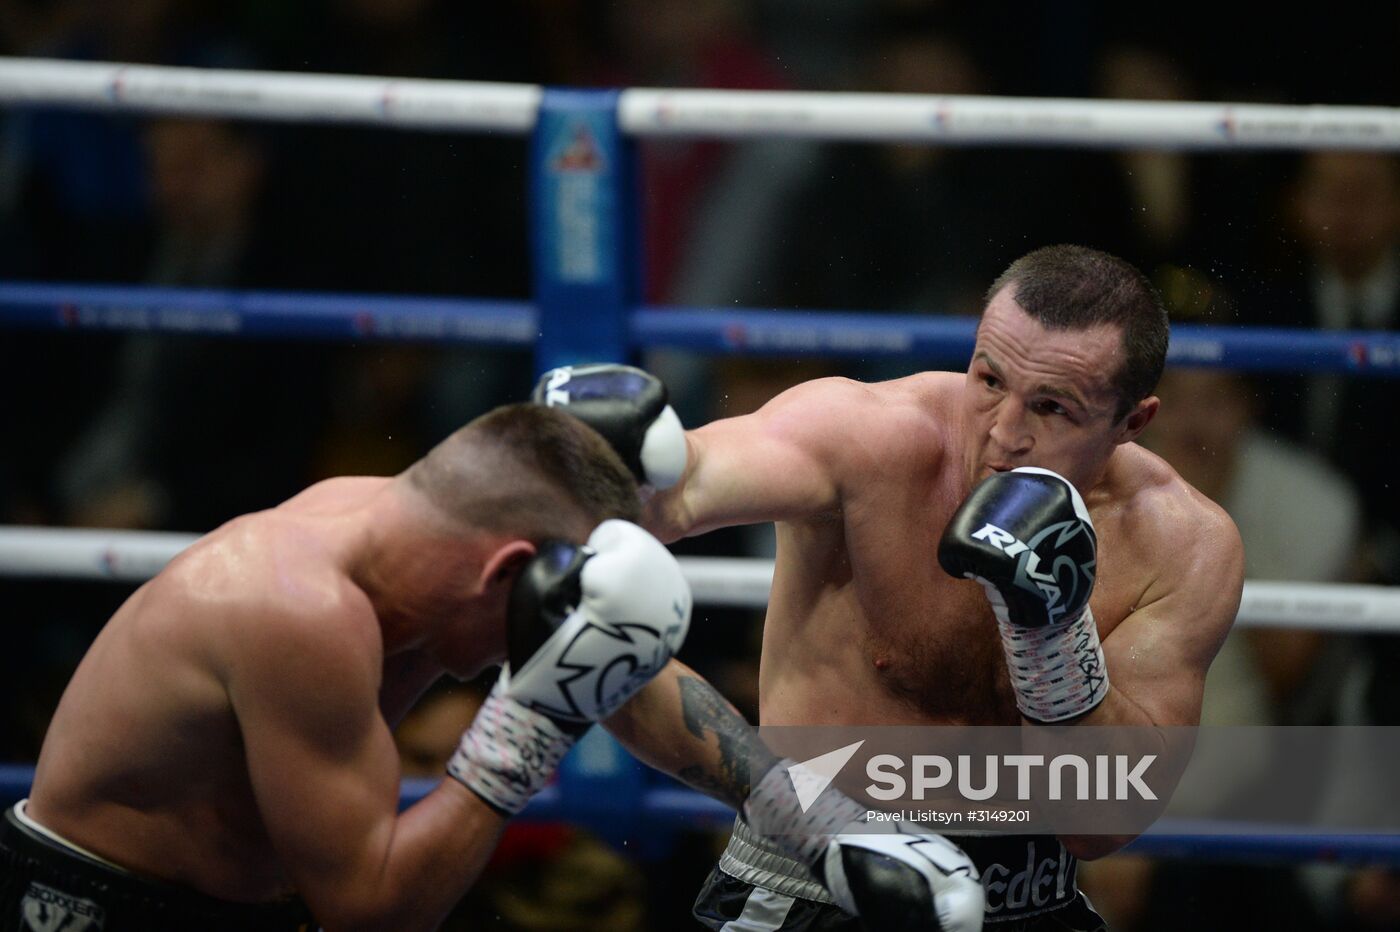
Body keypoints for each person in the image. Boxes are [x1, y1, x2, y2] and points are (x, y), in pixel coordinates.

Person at [538, 244, 1246, 931]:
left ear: (1132, 422)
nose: (1004, 433)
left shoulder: (1183, 544)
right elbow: (691, 484)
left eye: (1053, 407)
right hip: (810, 884)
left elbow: (1100, 824)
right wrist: (633, 465)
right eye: (989, 380)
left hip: (1029, 899)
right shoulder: (872, 436)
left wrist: (1052, 633)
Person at [2, 403, 693, 932]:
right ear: (507, 569)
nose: (519, 650)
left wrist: (756, 788)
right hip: (94, 909)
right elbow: (371, 917)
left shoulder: (398, 533)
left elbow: (609, 658)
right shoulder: (299, 610)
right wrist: (532, 723)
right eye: (536, 616)